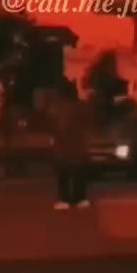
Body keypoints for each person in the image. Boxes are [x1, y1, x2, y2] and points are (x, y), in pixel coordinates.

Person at [49, 79, 91, 210]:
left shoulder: (57, 108)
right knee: (79, 174)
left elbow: (54, 125)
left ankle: (64, 199)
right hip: (79, 146)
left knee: (63, 175)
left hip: (63, 148)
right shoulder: (82, 106)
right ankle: (80, 198)